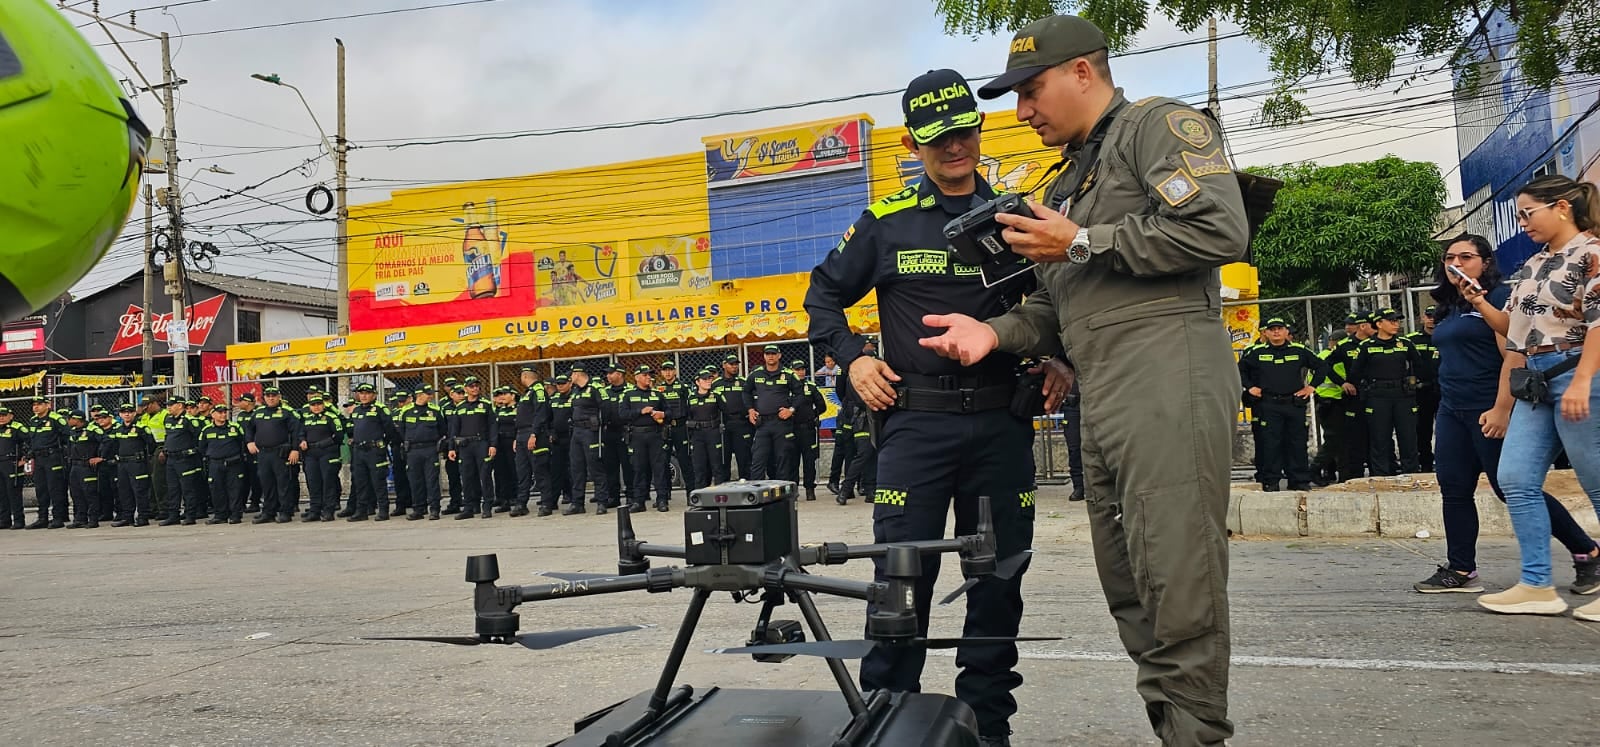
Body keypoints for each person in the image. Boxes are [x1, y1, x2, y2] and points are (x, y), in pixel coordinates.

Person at [921, 17, 1249, 743]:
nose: (1022, 111)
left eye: (1031, 91)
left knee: (1177, 574)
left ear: (1081, 72)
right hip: (1104, 391)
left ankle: (1196, 734)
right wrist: (993, 332)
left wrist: (1083, 240)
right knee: (1130, 577)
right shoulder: (1071, 178)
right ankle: (1173, 724)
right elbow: (1051, 305)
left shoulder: (1156, 127)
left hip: (1167, 371)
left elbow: (1220, 230)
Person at [804, 67, 1039, 747]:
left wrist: (1058, 356)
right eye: (938, 138)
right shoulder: (885, 223)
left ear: (979, 127)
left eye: (963, 131)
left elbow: (1055, 306)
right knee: (901, 576)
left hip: (1002, 422)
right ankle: (889, 722)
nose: (954, 147)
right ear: (912, 143)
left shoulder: (1017, 218)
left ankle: (987, 730)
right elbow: (822, 297)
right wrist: (853, 357)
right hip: (915, 425)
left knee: (998, 581)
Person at [1411, 233, 1600, 593]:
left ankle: (1586, 551)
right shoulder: (1449, 304)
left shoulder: (1498, 299)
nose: (1457, 264)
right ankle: (1462, 570)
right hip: (1452, 408)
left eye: (1466, 257)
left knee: (1509, 487)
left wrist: (1501, 409)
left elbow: (1513, 355)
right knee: (1453, 487)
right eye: (1450, 257)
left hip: (1490, 406)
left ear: (1485, 262)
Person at [1467, 175, 1600, 619]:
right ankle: (1537, 585)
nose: (1523, 222)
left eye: (1529, 213)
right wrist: (1481, 303)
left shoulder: (1592, 253)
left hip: (1580, 372)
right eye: (1520, 215)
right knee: (1516, 479)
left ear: (1561, 207)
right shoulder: (1535, 263)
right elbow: (1514, 331)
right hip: (1536, 378)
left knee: (1597, 482)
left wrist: (1582, 381)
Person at [1237, 317, 1328, 491]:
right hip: (1269, 405)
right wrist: (1250, 387)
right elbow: (1240, 369)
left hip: (1293, 404)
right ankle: (1271, 482)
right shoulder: (1256, 353)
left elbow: (1322, 366)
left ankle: (1299, 481)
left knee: (1297, 443)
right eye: (1272, 329)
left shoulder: (1299, 350)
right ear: (1266, 333)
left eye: (1280, 328)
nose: (1276, 332)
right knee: (1271, 445)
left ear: (1287, 332)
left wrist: (1312, 387)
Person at [1350, 308, 1424, 476]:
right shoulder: (1367, 346)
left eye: (1397, 321)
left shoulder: (1405, 343)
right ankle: (1381, 475)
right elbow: (1355, 372)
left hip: (1403, 395)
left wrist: (1412, 380)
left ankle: (1411, 473)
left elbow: (1419, 366)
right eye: (1391, 321)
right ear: (1379, 324)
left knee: (1408, 437)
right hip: (1378, 397)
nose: (1396, 324)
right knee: (1379, 438)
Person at [1324, 312, 1376, 481]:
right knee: (1355, 438)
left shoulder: (1378, 342)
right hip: (1354, 397)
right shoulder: (1345, 346)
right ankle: (1355, 477)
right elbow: (1326, 365)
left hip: (1378, 396)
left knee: (1379, 436)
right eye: (1372, 325)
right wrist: (1342, 383)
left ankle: (1380, 474)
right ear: (1363, 326)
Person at [744, 344, 803, 481]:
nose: (770, 356)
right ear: (764, 356)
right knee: (758, 460)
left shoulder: (788, 374)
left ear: (779, 355)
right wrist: (750, 409)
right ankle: (757, 495)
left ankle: (784, 497)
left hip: (781, 423)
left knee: (783, 460)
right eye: (767, 354)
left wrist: (791, 410)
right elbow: (746, 392)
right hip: (762, 424)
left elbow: (800, 394)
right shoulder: (756, 374)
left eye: (773, 353)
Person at [245, 387, 303, 524]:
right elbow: (248, 428)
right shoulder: (258, 412)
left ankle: (285, 511)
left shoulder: (287, 412)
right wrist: (250, 442)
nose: (271, 398)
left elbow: (296, 432)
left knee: (283, 483)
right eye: (268, 396)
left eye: (274, 396)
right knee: (266, 483)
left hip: (280, 453)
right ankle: (268, 512)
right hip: (263, 453)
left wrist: (295, 450)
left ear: (279, 397)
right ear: (264, 397)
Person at [619, 364, 672, 512]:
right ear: (636, 377)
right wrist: (640, 411)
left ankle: (662, 500)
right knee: (638, 468)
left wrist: (663, 414)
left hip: (655, 434)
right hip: (637, 435)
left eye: (650, 375)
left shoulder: (657, 394)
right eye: (645, 375)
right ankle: (639, 501)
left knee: (659, 468)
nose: (649, 377)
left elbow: (669, 412)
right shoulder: (629, 395)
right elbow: (622, 414)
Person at [447, 376, 498, 520]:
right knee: (467, 477)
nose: (475, 388)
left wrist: (493, 445)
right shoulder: (460, 407)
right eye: (471, 386)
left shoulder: (486, 404)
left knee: (485, 476)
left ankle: (487, 506)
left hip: (481, 444)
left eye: (476, 385)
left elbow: (492, 426)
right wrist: (451, 448)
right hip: (465, 446)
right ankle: (469, 507)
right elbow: (454, 429)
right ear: (465, 389)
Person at [346, 382, 398, 521]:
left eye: (367, 393)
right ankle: (361, 511)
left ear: (374, 394)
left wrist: (382, 444)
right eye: (361, 393)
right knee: (360, 481)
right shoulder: (356, 410)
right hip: (358, 451)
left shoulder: (380, 409)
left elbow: (390, 430)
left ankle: (383, 510)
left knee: (378, 481)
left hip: (374, 450)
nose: (363, 396)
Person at [23, 396, 72, 529]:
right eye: (34, 405)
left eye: (39, 404)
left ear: (47, 405)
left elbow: (68, 436)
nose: (36, 407)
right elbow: (33, 441)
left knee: (54, 488)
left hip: (53, 457)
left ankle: (58, 518)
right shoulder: (33, 420)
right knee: (41, 489)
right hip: (38, 459)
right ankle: (42, 518)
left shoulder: (56, 419)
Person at [399, 385, 446, 520]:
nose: (431, 396)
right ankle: (418, 509)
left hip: (430, 449)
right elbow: (401, 430)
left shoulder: (436, 410)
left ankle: (434, 509)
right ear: (419, 394)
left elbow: (442, 429)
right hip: (413, 450)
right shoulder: (406, 411)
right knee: (415, 481)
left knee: (432, 480)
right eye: (428, 394)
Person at [784, 360, 828, 500]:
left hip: (807, 429)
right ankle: (793, 490)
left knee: (809, 460)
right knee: (792, 461)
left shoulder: (811, 386)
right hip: (791, 429)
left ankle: (810, 489)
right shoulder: (786, 388)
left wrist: (812, 415)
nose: (801, 372)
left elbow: (822, 406)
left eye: (802, 369)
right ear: (792, 371)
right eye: (797, 369)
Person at [567, 366, 609, 515]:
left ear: (578, 373)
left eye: (571, 374)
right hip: (577, 432)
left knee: (595, 466)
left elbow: (606, 407)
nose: (570, 377)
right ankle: (577, 503)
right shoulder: (575, 390)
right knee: (576, 468)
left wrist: (600, 425)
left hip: (591, 431)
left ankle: (602, 501)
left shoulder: (595, 387)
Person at [159, 397, 206, 526]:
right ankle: (173, 515)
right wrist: (164, 449)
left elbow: (199, 437)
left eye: (171, 405)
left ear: (180, 405)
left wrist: (194, 451)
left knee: (188, 488)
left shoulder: (189, 420)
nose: (168, 407)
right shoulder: (168, 419)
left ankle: (190, 515)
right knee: (172, 488)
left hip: (185, 459)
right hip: (171, 458)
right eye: (168, 404)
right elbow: (168, 436)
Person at [514, 366, 554, 517]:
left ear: (525, 377)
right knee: (523, 471)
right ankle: (521, 503)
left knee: (540, 470)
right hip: (521, 435)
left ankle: (546, 504)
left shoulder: (538, 390)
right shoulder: (528, 393)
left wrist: (534, 434)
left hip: (534, 434)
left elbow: (541, 413)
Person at [297, 395, 344, 522]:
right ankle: (314, 511)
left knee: (328, 482)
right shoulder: (306, 419)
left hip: (327, 453)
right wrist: (302, 441)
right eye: (313, 405)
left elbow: (339, 436)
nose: (316, 407)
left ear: (323, 405)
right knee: (313, 483)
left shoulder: (331, 417)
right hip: (311, 454)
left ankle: (328, 511)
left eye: (318, 404)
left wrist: (323, 444)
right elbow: (301, 432)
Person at [1311, 330, 1349, 484]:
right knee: (1336, 440)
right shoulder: (1332, 357)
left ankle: (1330, 472)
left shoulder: (1320, 356)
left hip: (1325, 401)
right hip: (1333, 401)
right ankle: (1315, 469)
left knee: (1336, 440)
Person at [1407, 307, 1442, 472]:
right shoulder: (1412, 339)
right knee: (1423, 429)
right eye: (1428, 316)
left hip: (1443, 388)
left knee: (1444, 428)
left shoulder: (1445, 337)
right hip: (1421, 390)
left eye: (1435, 316)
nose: (1431, 320)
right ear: (1422, 318)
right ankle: (1426, 463)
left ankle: (1444, 461)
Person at [200, 404, 247, 524]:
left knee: (235, 489)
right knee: (217, 489)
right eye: (220, 412)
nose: (223, 415)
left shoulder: (235, 427)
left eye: (224, 412)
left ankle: (235, 515)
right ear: (213, 414)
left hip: (233, 463)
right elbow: (202, 447)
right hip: (215, 464)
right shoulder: (206, 430)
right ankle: (220, 515)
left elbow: (242, 442)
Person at [655, 361, 693, 501]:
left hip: (680, 427)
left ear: (675, 371)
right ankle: (665, 494)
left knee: (685, 461)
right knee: (663, 461)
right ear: (661, 372)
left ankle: (691, 493)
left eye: (670, 370)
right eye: (665, 370)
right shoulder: (658, 389)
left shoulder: (683, 387)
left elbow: (690, 407)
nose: (668, 373)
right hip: (664, 428)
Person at [712, 354, 754, 479]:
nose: (734, 367)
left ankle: (746, 488)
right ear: (724, 365)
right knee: (723, 459)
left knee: (744, 459)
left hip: (742, 424)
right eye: (731, 364)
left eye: (736, 364)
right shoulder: (716, 384)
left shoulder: (744, 382)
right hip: (723, 425)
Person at [684, 368, 726, 491]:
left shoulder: (716, 395)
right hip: (697, 435)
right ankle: (700, 496)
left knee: (717, 465)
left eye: (710, 379)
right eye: (705, 379)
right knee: (699, 466)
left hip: (713, 432)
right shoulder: (691, 398)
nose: (708, 381)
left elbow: (726, 412)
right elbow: (687, 416)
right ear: (697, 382)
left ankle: (721, 495)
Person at [65, 410, 103, 529]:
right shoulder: (72, 432)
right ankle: (80, 519)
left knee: (90, 493)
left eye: (70, 418)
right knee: (76, 493)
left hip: (86, 465)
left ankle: (93, 519)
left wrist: (100, 457)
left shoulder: (92, 430)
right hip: (74, 465)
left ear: (77, 419)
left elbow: (107, 441)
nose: (68, 421)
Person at [546, 374, 575, 514]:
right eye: (558, 384)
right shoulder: (553, 399)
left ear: (570, 383)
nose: (560, 386)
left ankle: (575, 499)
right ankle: (552, 501)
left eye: (563, 383)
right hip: (557, 440)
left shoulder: (575, 397)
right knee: (556, 471)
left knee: (574, 469)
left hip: (572, 438)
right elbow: (548, 419)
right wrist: (551, 433)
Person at [491, 385, 519, 514]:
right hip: (500, 443)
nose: (502, 396)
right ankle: (504, 500)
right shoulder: (499, 410)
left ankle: (516, 498)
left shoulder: (518, 408)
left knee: (514, 470)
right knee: (501, 472)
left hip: (512, 442)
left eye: (505, 394)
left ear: (513, 395)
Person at [234, 393, 263, 515]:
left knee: (255, 478)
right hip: (242, 451)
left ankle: (255, 502)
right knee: (243, 478)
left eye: (241, 401)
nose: (238, 403)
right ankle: (241, 503)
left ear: (247, 402)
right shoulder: (240, 415)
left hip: (255, 450)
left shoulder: (257, 414)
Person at [439, 377, 465, 514]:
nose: (461, 395)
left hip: (466, 445)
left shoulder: (468, 405)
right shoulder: (444, 407)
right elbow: (441, 426)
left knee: (468, 475)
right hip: (451, 446)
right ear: (451, 394)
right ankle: (455, 501)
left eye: (462, 393)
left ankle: (471, 501)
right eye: (458, 393)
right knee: (453, 475)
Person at [387, 390, 414, 517]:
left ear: (410, 399)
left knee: (415, 476)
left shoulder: (415, 411)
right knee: (399, 476)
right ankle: (401, 504)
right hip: (397, 447)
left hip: (413, 447)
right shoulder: (393, 414)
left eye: (404, 400)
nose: (401, 403)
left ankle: (417, 503)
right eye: (399, 401)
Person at [0, 407, 25, 529]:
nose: (1, 417)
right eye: (0, 415)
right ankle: (4, 520)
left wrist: (25, 458)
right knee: (2, 494)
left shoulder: (17, 427)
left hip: (11, 463)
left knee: (13, 493)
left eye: (4, 415)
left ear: (11, 416)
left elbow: (32, 441)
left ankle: (19, 520)